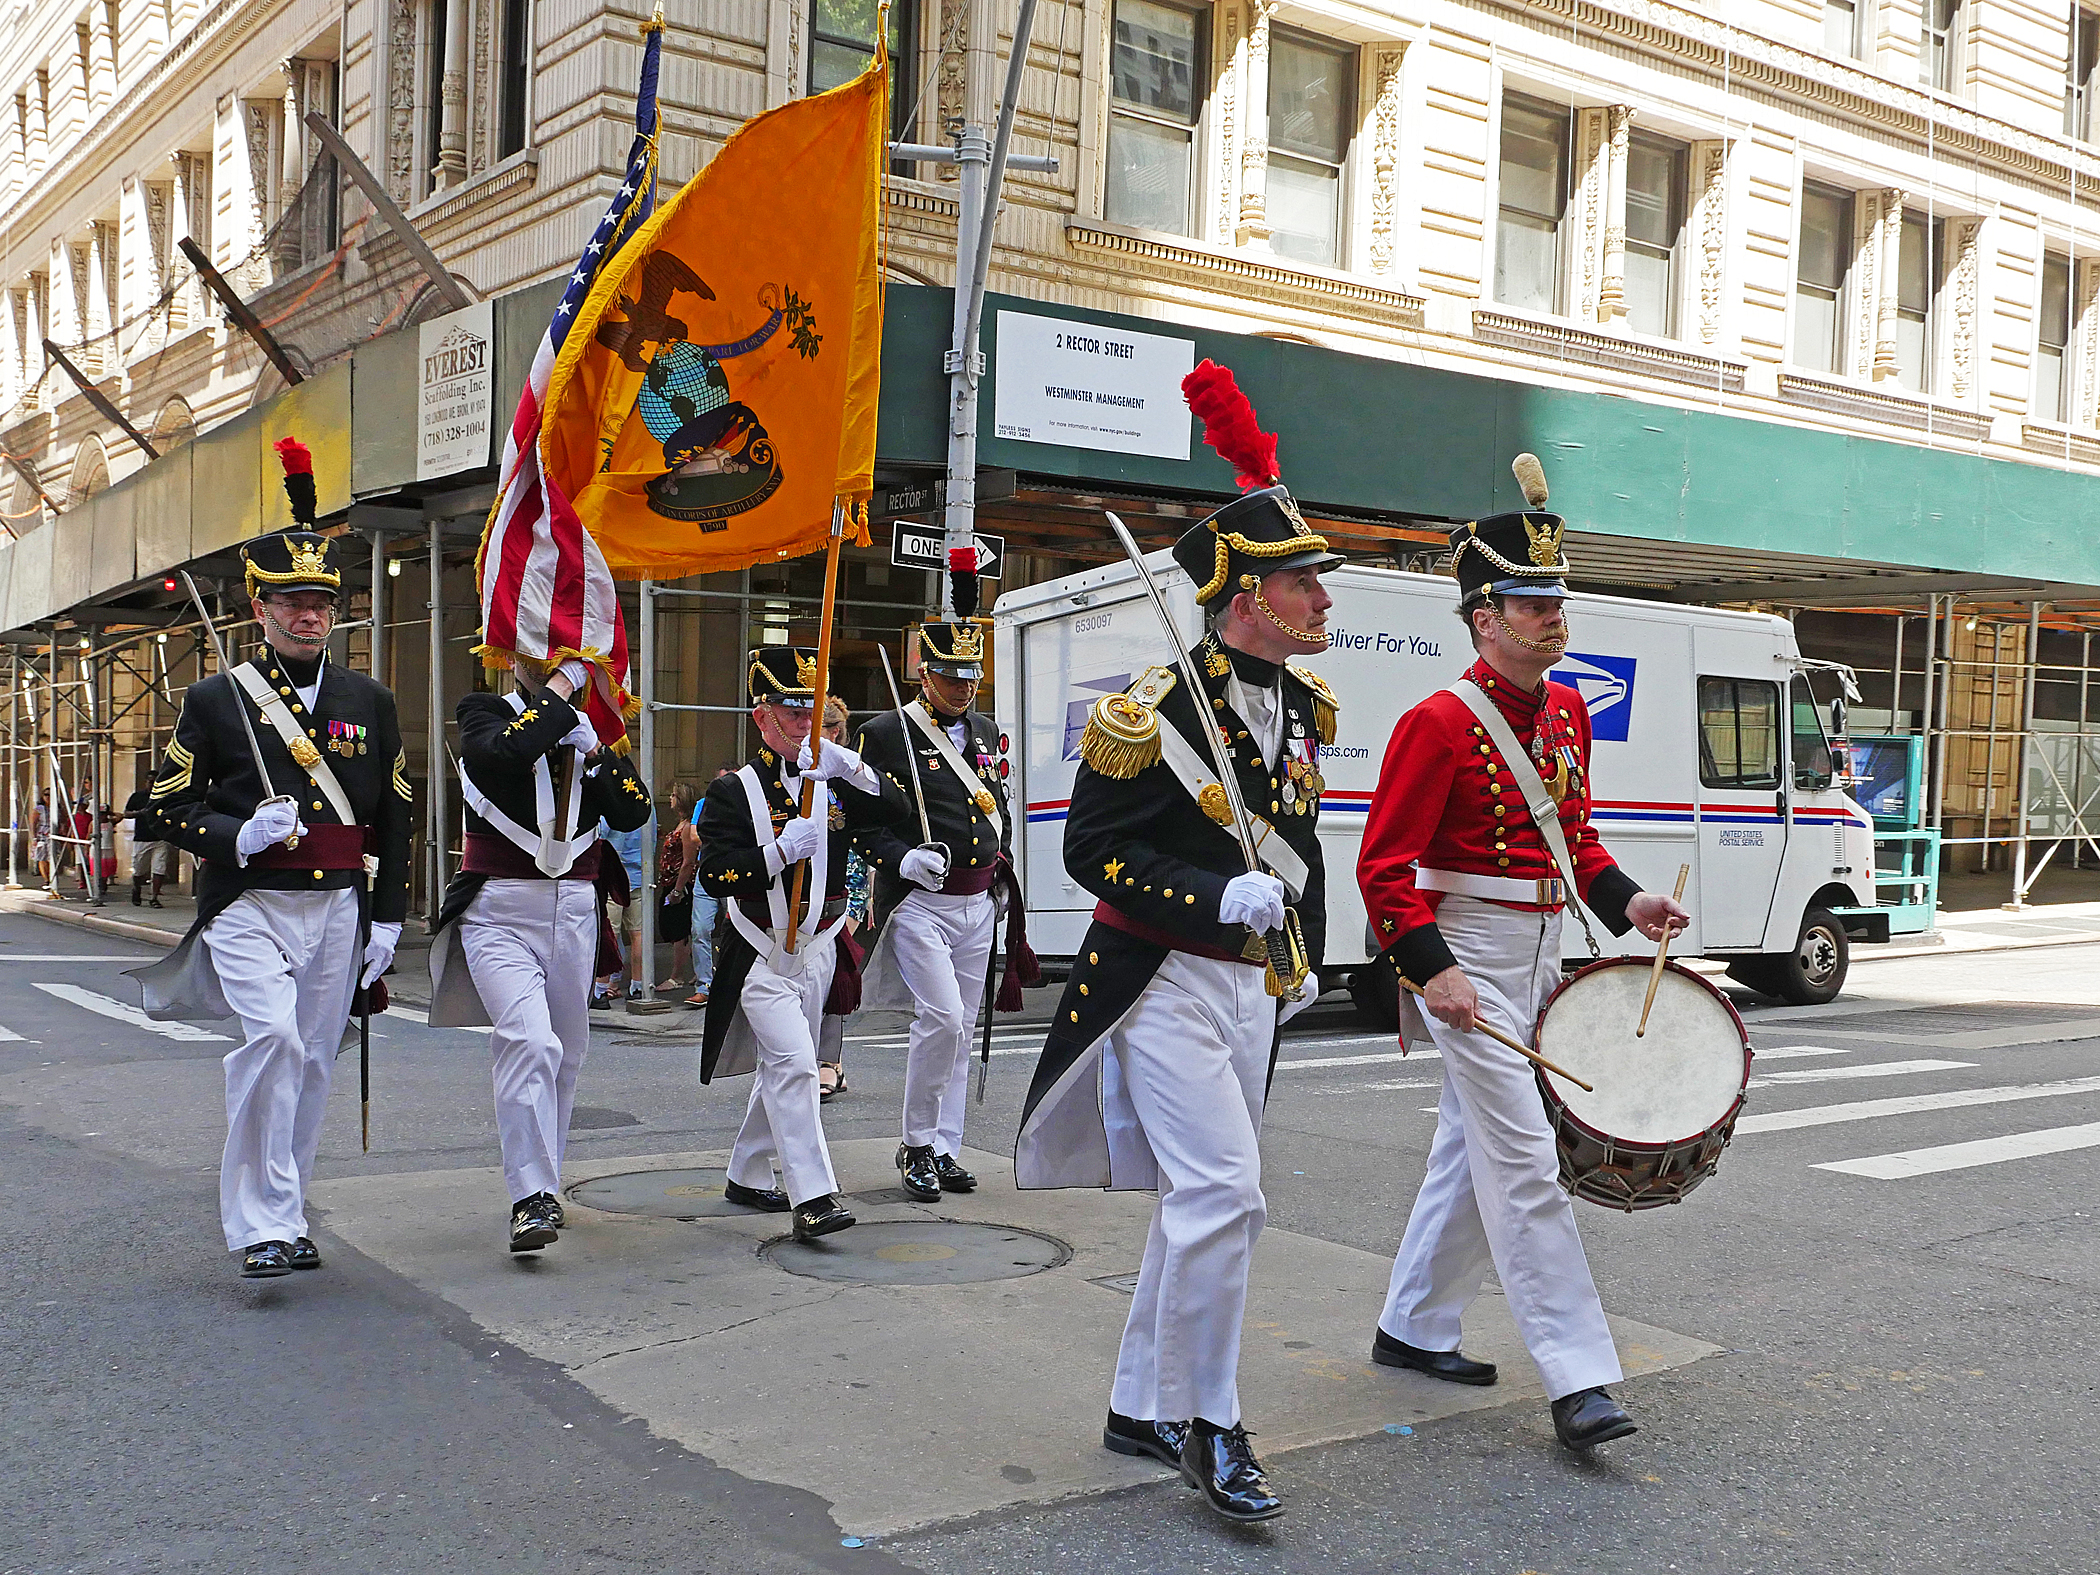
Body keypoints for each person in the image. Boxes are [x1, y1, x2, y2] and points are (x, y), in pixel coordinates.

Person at [1015, 434, 1338, 1524]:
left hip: (1249, 990)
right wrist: (1211, 901)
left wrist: (1304, 952)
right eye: (1302, 580)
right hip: (1157, 983)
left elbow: (1303, 843)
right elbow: (1089, 852)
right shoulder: (1151, 709)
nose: (1320, 596)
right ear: (1247, 597)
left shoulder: (1297, 702)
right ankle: (1211, 1422)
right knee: (1224, 1196)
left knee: (1202, 1208)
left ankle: (1137, 1402)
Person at [1355, 472, 1689, 1452]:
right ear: (1481, 616)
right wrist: (1431, 968)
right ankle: (1580, 1376)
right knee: (1526, 1157)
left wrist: (1630, 901)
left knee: (1474, 1149)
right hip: (1471, 953)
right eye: (1533, 604)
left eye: (1556, 601)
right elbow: (1383, 869)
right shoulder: (1438, 722)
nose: (1553, 617)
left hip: (1542, 945)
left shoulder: (1567, 713)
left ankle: (1412, 1324)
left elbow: (1573, 843)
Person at [127, 523, 413, 1279]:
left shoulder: (371, 700)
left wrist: (388, 914)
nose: (310, 615)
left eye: (321, 601)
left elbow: (395, 815)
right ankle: (260, 1225)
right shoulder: (216, 698)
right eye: (292, 601)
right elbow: (159, 808)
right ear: (260, 609)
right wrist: (239, 833)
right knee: (275, 1044)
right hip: (250, 901)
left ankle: (286, 1213)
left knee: (314, 1060)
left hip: (340, 908)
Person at [427, 661, 653, 1252]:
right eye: (543, 650)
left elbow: (634, 812)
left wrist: (601, 751)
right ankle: (528, 1195)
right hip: (499, 908)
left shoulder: (586, 726)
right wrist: (560, 695)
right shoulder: (484, 711)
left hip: (575, 905)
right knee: (529, 1041)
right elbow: (501, 756)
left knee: (567, 1053)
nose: (555, 662)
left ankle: (544, 1186)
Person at [692, 648, 909, 1242]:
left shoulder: (830, 777)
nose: (805, 723)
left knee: (783, 1066)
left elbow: (897, 808)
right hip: (761, 952)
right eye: (792, 711)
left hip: (818, 948)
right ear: (762, 719)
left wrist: (848, 765)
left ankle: (745, 1170)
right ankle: (814, 1194)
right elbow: (716, 875)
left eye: (811, 710)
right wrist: (780, 853)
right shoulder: (734, 791)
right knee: (795, 1066)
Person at [854, 618, 1019, 1199]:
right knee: (943, 1019)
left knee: (963, 1030)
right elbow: (861, 822)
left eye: (972, 674)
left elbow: (996, 804)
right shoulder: (884, 732)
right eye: (951, 675)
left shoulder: (984, 729)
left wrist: (1003, 873)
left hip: (977, 899)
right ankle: (917, 1143)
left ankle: (947, 1146)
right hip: (921, 902)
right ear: (925, 673)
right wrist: (901, 860)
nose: (964, 686)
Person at [818, 697, 868, 1102]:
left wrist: (858, 899)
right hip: (799, 891)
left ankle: (828, 1061)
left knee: (834, 978)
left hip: (844, 888)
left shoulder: (849, 774)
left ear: (834, 733)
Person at [683, 764, 733, 1010]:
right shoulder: (704, 804)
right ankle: (704, 986)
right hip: (707, 870)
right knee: (700, 928)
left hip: (734, 872)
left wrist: (710, 836)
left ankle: (730, 984)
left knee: (735, 929)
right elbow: (693, 836)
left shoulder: (745, 804)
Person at [592, 815, 648, 1007]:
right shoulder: (646, 805)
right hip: (639, 875)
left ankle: (601, 990)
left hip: (614, 878)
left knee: (610, 933)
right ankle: (638, 985)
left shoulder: (613, 803)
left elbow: (600, 835)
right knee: (638, 933)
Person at [656, 781, 700, 996]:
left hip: (679, 884)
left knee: (679, 931)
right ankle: (698, 969)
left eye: (673, 795)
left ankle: (677, 975)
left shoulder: (687, 828)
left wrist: (678, 890)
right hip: (669, 881)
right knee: (677, 928)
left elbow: (688, 862)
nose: (670, 799)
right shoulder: (680, 825)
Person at [123, 788, 174, 908]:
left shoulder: (164, 797)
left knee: (159, 868)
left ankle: (154, 897)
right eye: (150, 782)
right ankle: (137, 888)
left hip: (160, 838)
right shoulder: (138, 796)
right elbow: (126, 813)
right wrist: (140, 813)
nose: (152, 785)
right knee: (139, 869)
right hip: (142, 838)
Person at [31, 790, 50, 885]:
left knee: (52, 856)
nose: (48, 797)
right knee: (42, 857)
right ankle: (46, 879)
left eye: (50, 795)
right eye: (46, 795)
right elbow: (33, 823)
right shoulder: (39, 808)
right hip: (42, 834)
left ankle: (51, 876)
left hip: (53, 833)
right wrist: (34, 837)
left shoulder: (58, 808)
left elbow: (63, 819)